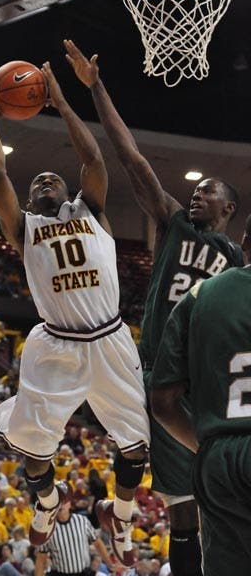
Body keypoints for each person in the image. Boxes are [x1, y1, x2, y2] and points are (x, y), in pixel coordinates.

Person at [63, 40, 244, 576]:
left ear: (229, 208)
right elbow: (132, 159)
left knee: (201, 512)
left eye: (208, 191)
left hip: (199, 387)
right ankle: (116, 511)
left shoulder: (236, 262)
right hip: (152, 371)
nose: (197, 196)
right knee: (179, 507)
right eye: (197, 189)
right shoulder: (176, 224)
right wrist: (96, 88)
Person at [0, 61, 150, 567]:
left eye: (54, 178)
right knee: (34, 446)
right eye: (39, 182)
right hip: (55, 344)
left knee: (138, 446)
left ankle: (121, 516)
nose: (47, 180)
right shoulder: (24, 227)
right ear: (33, 199)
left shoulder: (91, 211)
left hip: (110, 337)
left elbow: (93, 158)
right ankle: (48, 504)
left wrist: (60, 100)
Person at [151, 215, 251, 575]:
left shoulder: (201, 294)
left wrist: (205, 445)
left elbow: (162, 402)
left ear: (243, 241)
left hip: (218, 456)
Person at [34, 500, 114, 576]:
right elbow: (41, 559)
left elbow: (98, 544)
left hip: (84, 573)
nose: (60, 505)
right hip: (60, 574)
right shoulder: (47, 528)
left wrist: (110, 564)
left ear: (69, 504)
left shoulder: (82, 521)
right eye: (57, 503)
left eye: (63, 502)